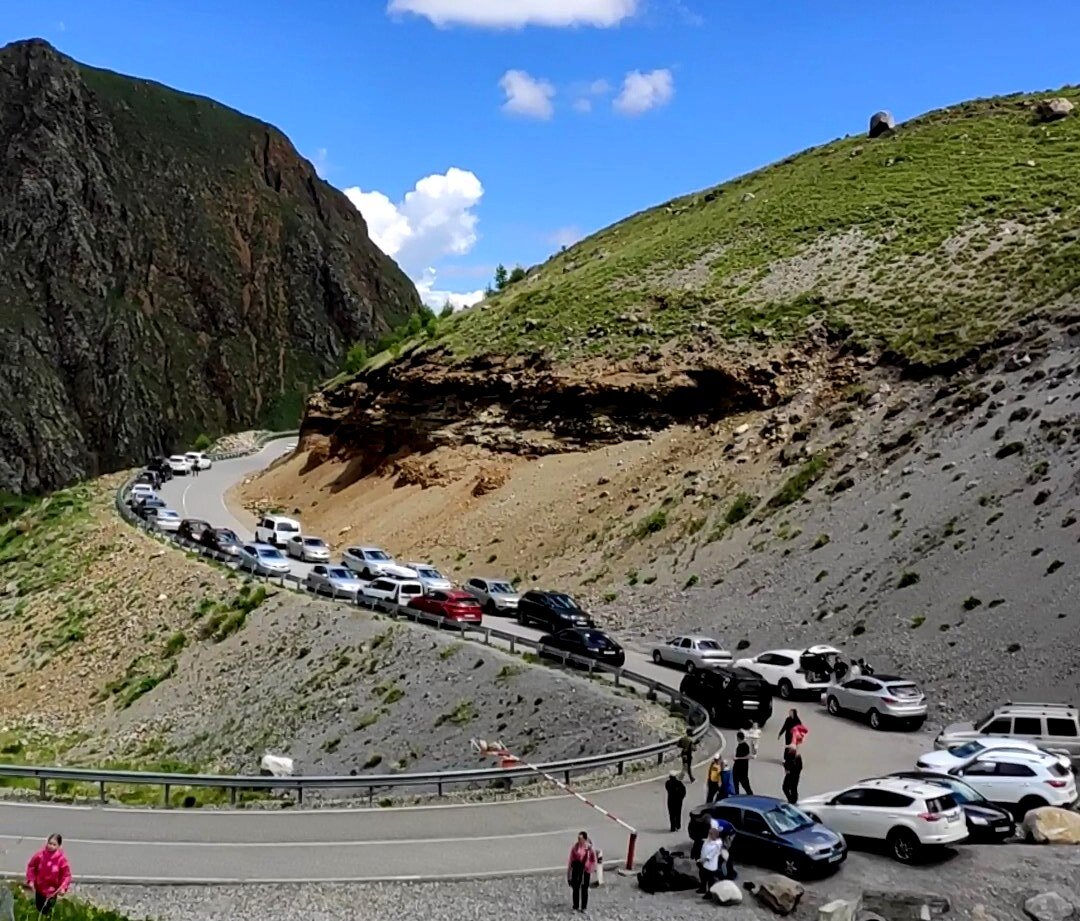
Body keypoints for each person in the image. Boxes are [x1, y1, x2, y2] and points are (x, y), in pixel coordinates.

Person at [25, 834, 70, 915]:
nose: (51, 846)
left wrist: (63, 887)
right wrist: (31, 880)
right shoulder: (40, 855)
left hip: (52, 891)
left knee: (48, 911)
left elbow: (66, 875)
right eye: (50, 843)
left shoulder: (61, 860)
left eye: (54, 844)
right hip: (40, 889)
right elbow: (31, 867)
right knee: (39, 908)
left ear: (59, 846)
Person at [567, 831, 597, 912]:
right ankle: (575, 906)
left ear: (584, 839)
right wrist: (569, 874)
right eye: (578, 838)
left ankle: (584, 907)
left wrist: (589, 868)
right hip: (576, 869)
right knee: (575, 888)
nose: (579, 840)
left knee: (584, 889)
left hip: (585, 870)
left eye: (581, 838)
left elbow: (593, 861)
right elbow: (571, 861)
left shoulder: (589, 849)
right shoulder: (575, 848)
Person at [696, 823, 722, 897]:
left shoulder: (717, 845)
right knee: (702, 875)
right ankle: (703, 888)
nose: (709, 835)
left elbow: (710, 856)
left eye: (711, 834)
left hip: (710, 865)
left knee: (710, 879)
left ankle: (709, 893)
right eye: (709, 833)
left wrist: (702, 860)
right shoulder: (708, 840)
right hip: (704, 864)